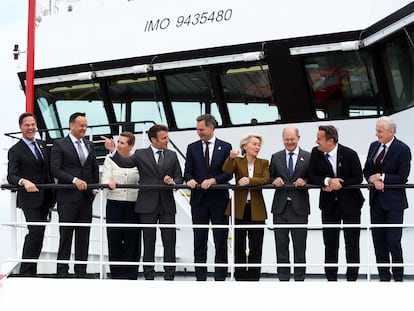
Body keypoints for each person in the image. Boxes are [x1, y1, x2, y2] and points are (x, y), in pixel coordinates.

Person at [102, 124, 183, 280]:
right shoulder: (141, 154)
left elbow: (179, 176)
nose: (167, 140)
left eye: (167, 137)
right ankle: (149, 277)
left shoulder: (172, 155)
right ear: (153, 140)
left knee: (169, 241)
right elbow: (125, 163)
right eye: (164, 138)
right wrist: (112, 151)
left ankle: (170, 277)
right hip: (147, 205)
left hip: (167, 205)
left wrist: (173, 181)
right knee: (148, 242)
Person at [308, 125, 364, 281]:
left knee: (352, 243)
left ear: (330, 141)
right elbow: (311, 175)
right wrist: (327, 181)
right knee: (330, 243)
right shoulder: (315, 153)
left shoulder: (350, 154)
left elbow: (358, 177)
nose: (316, 141)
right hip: (328, 205)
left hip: (351, 205)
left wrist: (339, 184)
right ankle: (331, 280)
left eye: (319, 139)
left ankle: (351, 280)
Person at [184, 114, 232, 281]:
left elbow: (228, 173)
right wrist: (189, 179)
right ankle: (200, 278)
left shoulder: (226, 147)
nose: (199, 132)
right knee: (199, 241)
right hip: (198, 201)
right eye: (197, 129)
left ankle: (220, 278)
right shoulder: (192, 147)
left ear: (212, 128)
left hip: (219, 201)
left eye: (202, 129)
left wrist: (214, 180)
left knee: (220, 240)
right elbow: (188, 170)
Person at [51, 112, 99, 278]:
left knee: (83, 236)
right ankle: (62, 271)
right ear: (71, 125)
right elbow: (55, 169)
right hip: (67, 198)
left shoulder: (89, 145)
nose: (84, 128)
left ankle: (81, 271)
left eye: (85, 125)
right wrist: (74, 180)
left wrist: (94, 189)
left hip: (86, 198)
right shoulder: (59, 144)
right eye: (81, 125)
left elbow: (93, 168)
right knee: (65, 235)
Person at [362, 116, 411, 281]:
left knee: (393, 241)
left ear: (391, 131)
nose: (376, 134)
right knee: (379, 241)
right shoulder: (373, 146)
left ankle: (398, 278)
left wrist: (382, 177)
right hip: (376, 202)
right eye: (376, 130)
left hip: (394, 204)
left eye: (380, 131)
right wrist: (371, 179)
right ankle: (383, 276)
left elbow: (402, 176)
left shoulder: (403, 149)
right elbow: (366, 170)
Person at [7, 112, 56, 276]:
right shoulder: (15, 150)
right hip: (29, 198)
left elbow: (48, 170)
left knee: (40, 233)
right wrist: (24, 181)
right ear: (21, 127)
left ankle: (32, 269)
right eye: (27, 125)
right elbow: (11, 175)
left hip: (46, 197)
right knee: (35, 230)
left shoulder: (43, 145)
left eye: (33, 125)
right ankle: (25, 271)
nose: (30, 128)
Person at [222, 134, 269, 281]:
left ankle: (254, 277)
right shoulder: (237, 161)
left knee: (256, 245)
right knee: (239, 244)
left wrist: (249, 180)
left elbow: (266, 179)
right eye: (254, 144)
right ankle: (240, 276)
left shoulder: (264, 162)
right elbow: (227, 170)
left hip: (257, 208)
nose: (257, 147)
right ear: (245, 146)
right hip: (238, 208)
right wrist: (230, 157)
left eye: (259, 145)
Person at [270, 126, 310, 281]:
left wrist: (305, 181)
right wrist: (274, 180)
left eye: (292, 139)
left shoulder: (308, 156)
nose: (289, 142)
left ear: (298, 138)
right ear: (283, 139)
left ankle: (299, 278)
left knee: (300, 246)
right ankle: (283, 278)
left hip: (299, 208)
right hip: (280, 208)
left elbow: (313, 177)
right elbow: (270, 176)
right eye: (286, 139)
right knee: (281, 245)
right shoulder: (276, 156)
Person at [101, 132, 141, 279]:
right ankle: (116, 274)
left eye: (123, 143)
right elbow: (105, 177)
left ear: (130, 146)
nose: (119, 145)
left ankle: (130, 275)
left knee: (132, 239)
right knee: (114, 238)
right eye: (118, 142)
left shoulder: (137, 160)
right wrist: (108, 183)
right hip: (114, 204)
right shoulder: (109, 159)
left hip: (133, 205)